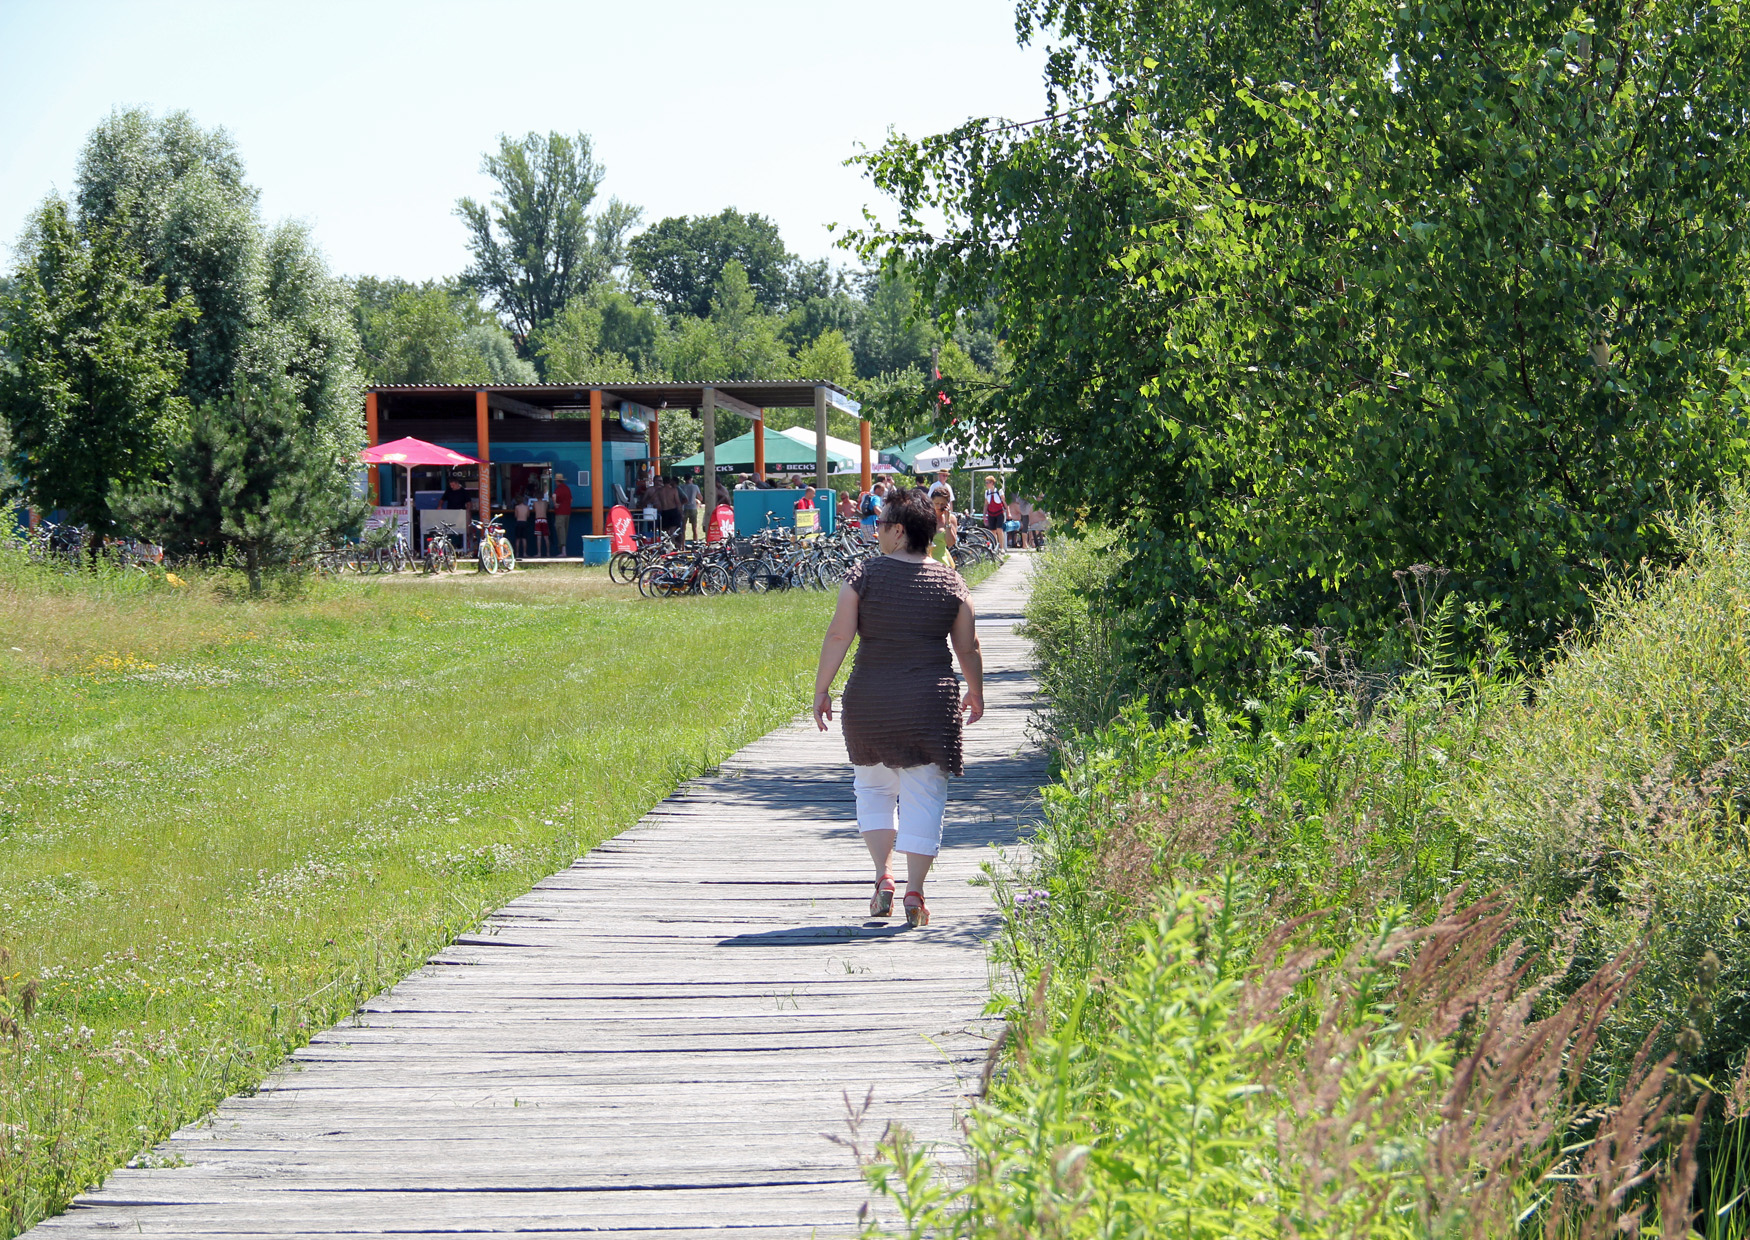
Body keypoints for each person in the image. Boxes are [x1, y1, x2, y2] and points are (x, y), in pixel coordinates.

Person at [813, 488, 985, 929]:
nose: (876, 531)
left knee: (872, 790)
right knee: (925, 797)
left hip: (870, 703)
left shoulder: (863, 576)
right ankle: (914, 891)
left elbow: (838, 637)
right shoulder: (951, 582)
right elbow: (968, 646)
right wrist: (976, 691)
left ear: (899, 531)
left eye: (882, 524)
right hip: (931, 705)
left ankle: (882, 878)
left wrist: (822, 689)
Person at [929, 488, 959, 569]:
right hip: (926, 560)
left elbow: (950, 543)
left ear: (947, 505)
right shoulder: (925, 517)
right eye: (937, 503)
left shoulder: (951, 519)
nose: (939, 506)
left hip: (942, 562)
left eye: (942, 504)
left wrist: (947, 521)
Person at [651, 475, 683, 543]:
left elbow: (652, 499)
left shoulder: (659, 491)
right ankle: (673, 545)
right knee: (673, 532)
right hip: (673, 511)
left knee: (665, 533)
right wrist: (681, 512)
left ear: (663, 482)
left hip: (664, 512)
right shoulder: (673, 490)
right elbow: (678, 502)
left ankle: (667, 545)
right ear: (670, 481)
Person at [679, 476, 704, 543]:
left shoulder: (681, 487)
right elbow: (700, 498)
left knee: (683, 528)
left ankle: (682, 544)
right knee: (694, 527)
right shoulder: (695, 487)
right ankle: (695, 542)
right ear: (691, 479)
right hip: (693, 508)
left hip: (684, 508)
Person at [553, 477, 572, 557]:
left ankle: (563, 551)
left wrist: (555, 504)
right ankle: (563, 551)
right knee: (565, 531)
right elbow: (571, 500)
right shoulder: (567, 488)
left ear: (557, 481)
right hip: (567, 512)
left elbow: (554, 496)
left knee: (560, 531)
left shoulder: (558, 489)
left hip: (560, 512)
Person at [512, 491, 532, 559]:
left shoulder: (517, 507)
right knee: (524, 539)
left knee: (518, 539)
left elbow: (516, 515)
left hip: (518, 522)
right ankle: (524, 553)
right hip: (525, 522)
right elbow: (528, 515)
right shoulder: (527, 507)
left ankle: (517, 553)